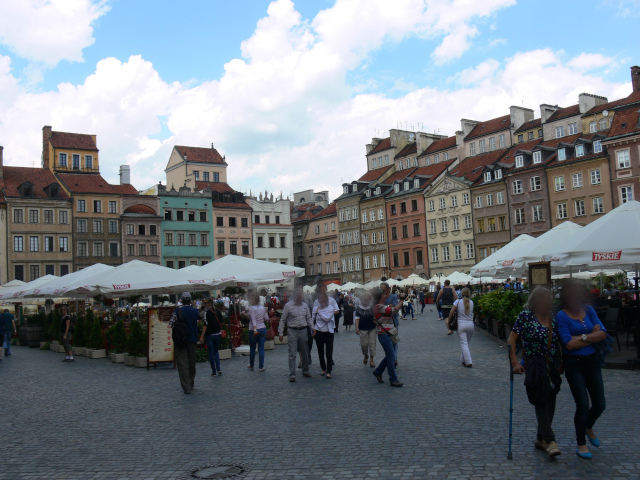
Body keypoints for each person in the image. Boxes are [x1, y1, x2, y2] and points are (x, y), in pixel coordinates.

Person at [507, 287, 562, 458]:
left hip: (551, 366)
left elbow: (561, 340)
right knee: (540, 401)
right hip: (534, 365)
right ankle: (551, 441)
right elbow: (511, 340)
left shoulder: (553, 317)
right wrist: (515, 362)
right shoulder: (525, 316)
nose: (548, 304)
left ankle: (541, 438)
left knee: (551, 401)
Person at [556, 279, 607, 460]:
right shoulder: (561, 316)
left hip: (592, 362)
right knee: (583, 405)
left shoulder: (589, 310)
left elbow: (603, 333)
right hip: (574, 364)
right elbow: (568, 343)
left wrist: (581, 337)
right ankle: (581, 444)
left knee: (600, 404)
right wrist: (590, 336)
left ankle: (588, 426)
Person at [279, 288, 314, 382]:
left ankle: (305, 370)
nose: (300, 297)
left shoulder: (305, 305)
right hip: (292, 330)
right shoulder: (288, 306)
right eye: (299, 296)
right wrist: (281, 332)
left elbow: (308, 318)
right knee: (292, 353)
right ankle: (292, 374)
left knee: (305, 352)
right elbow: (283, 320)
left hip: (303, 330)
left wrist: (312, 328)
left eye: (301, 296)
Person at [371, 287, 403, 387]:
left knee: (390, 355)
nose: (387, 295)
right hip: (384, 335)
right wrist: (402, 300)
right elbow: (395, 310)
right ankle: (393, 379)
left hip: (389, 333)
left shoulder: (381, 306)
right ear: (381, 296)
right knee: (391, 356)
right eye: (385, 294)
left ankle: (378, 372)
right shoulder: (378, 306)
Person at [169, 292, 200, 394]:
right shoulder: (195, 311)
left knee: (183, 363)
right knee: (191, 363)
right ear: (190, 300)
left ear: (181, 300)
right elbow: (200, 321)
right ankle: (191, 382)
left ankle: (186, 386)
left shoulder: (177, 311)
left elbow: (170, 324)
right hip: (192, 339)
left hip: (180, 340)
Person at [312, 291, 338, 379]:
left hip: (329, 332)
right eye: (320, 299)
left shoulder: (330, 307)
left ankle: (329, 371)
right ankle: (323, 368)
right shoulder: (315, 308)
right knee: (320, 351)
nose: (322, 300)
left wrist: (319, 312)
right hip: (319, 331)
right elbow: (312, 319)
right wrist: (312, 329)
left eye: (323, 298)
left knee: (329, 352)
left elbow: (327, 318)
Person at [447, 287, 475, 366]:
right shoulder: (472, 302)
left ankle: (469, 361)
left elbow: (451, 312)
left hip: (461, 324)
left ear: (462, 294)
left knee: (464, 343)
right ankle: (463, 359)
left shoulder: (457, 302)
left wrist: (449, 321)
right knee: (467, 343)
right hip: (470, 324)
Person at [199, 298, 224, 377]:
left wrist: (202, 336)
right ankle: (219, 369)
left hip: (210, 334)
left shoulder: (207, 312)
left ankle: (214, 371)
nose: (204, 305)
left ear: (209, 303)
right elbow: (222, 321)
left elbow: (205, 324)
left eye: (205, 303)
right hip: (217, 334)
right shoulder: (218, 311)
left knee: (211, 353)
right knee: (216, 352)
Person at [248, 292, 269, 372]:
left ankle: (252, 365)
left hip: (254, 329)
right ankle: (261, 366)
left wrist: (255, 329)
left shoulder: (252, 308)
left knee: (252, 348)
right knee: (261, 349)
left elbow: (253, 319)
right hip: (263, 328)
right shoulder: (262, 307)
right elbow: (266, 318)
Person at [354, 291, 376, 368]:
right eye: (364, 299)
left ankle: (372, 360)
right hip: (363, 328)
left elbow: (375, 316)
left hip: (372, 328)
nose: (366, 301)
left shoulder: (372, 307)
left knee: (372, 344)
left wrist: (375, 320)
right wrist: (357, 328)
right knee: (364, 344)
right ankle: (366, 355)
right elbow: (357, 319)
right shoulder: (359, 308)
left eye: (367, 299)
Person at [380, 282, 399, 367]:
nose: (382, 291)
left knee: (394, 342)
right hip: (383, 324)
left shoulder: (393, 296)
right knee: (387, 344)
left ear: (388, 289)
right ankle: (390, 358)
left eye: (383, 290)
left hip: (393, 322)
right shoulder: (380, 298)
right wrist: (389, 306)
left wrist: (388, 308)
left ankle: (394, 359)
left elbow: (395, 309)